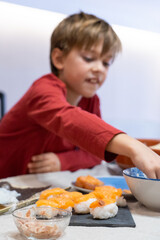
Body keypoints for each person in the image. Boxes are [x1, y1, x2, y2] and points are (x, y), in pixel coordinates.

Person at [0, 12, 160, 179]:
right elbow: (68, 118)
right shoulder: (42, 91)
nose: (99, 68)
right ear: (59, 58)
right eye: (89, 58)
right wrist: (134, 146)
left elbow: (94, 151)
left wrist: (63, 161)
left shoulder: (90, 100)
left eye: (106, 62)